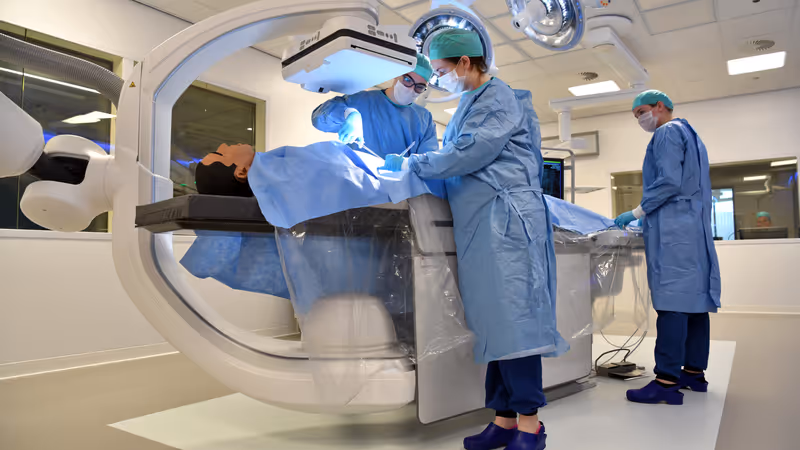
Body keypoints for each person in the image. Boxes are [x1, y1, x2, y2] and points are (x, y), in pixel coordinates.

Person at [381, 29, 566, 450]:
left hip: (507, 221)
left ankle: (530, 425)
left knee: (515, 325)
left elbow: (469, 152)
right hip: (482, 223)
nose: (438, 79)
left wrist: (413, 164)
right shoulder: (471, 101)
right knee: (492, 326)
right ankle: (503, 420)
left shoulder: (497, 97)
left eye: (441, 70)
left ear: (465, 62)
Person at [614, 90, 721, 406]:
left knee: (672, 303)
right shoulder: (691, 134)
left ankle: (665, 382)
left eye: (641, 112)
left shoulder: (666, 133)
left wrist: (637, 212)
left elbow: (669, 181)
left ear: (660, 107)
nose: (640, 119)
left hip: (675, 231)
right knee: (695, 303)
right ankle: (693, 373)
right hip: (693, 229)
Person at [311, 53, 439, 158]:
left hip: (400, 181)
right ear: (397, 74)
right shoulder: (361, 101)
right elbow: (318, 120)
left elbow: (429, 162)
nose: (411, 89)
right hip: (358, 178)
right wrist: (347, 114)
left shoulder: (424, 119)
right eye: (407, 79)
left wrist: (405, 166)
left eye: (420, 87)